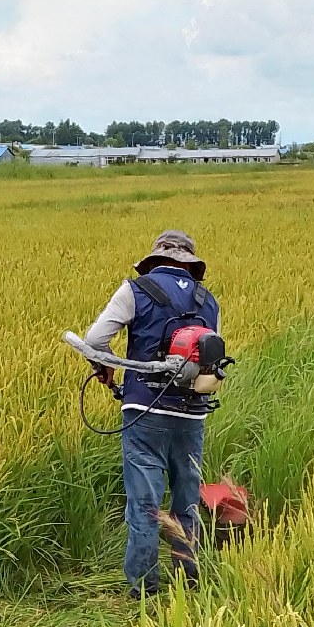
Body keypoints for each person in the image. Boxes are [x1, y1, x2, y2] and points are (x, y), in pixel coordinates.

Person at [81, 229, 220, 598]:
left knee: (144, 503)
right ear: (189, 262)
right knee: (186, 499)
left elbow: (95, 340)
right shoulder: (209, 301)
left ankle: (144, 588)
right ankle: (188, 579)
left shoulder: (136, 289)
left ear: (156, 258)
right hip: (193, 413)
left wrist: (105, 366)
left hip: (146, 411)